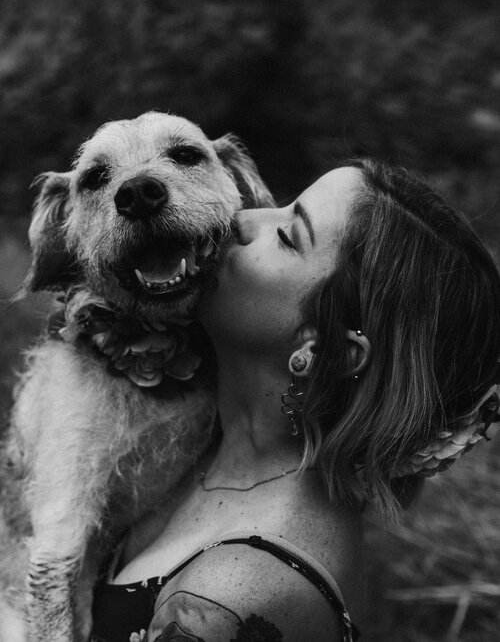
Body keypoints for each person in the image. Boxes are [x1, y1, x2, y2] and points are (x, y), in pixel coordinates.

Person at [91, 160, 500, 642]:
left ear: (330, 349)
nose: (244, 219)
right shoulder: (180, 446)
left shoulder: (234, 597)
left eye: (287, 236)